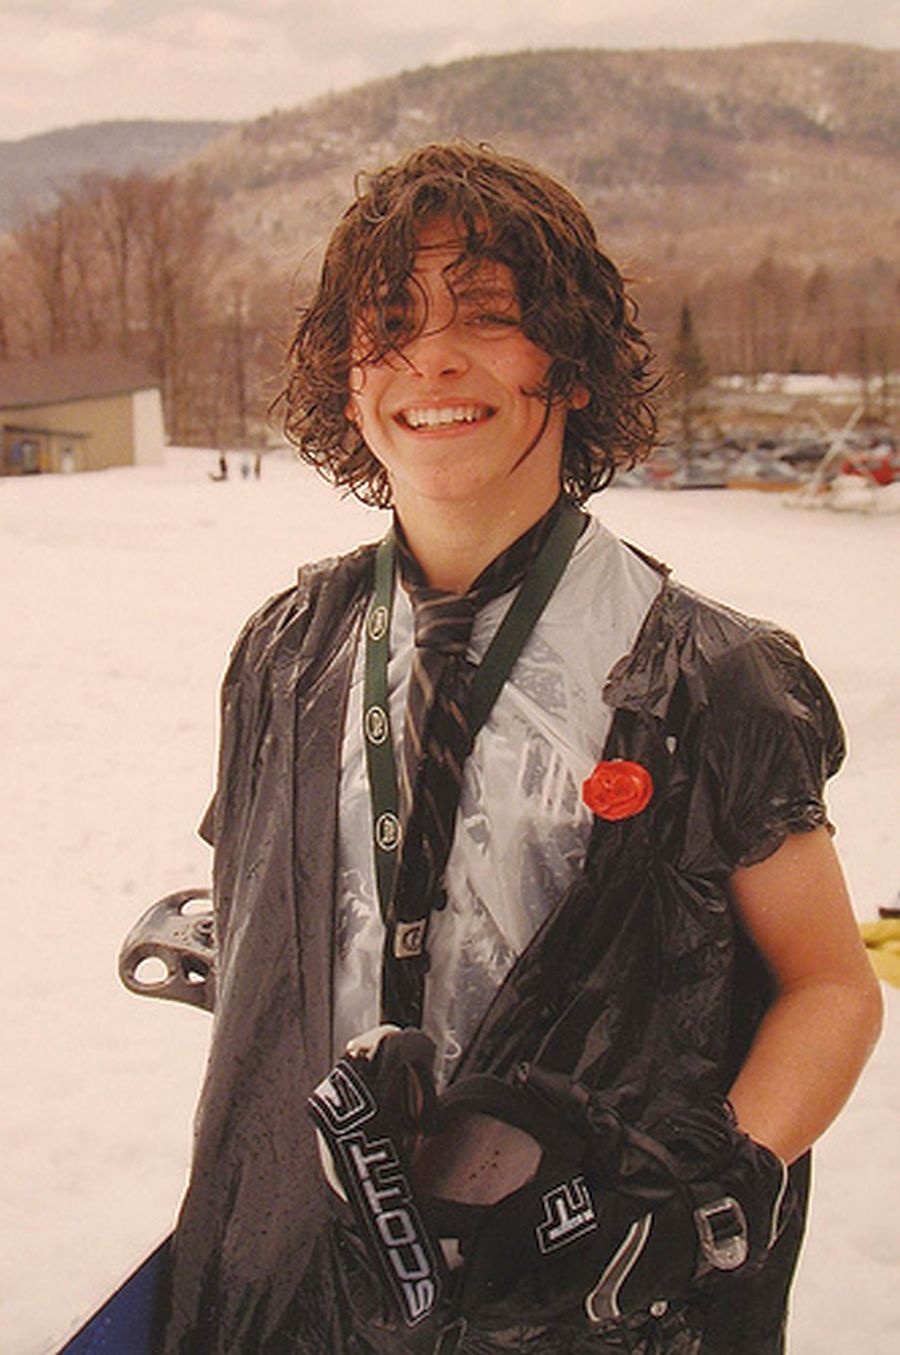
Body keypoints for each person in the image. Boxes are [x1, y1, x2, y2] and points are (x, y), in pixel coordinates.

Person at [156, 143, 882, 1354]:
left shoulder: (707, 675)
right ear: (348, 379)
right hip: (295, 1295)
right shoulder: (287, 650)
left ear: (573, 362)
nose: (433, 357)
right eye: (390, 323)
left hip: (581, 1304)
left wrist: (697, 1195)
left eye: (488, 315)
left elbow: (830, 985)